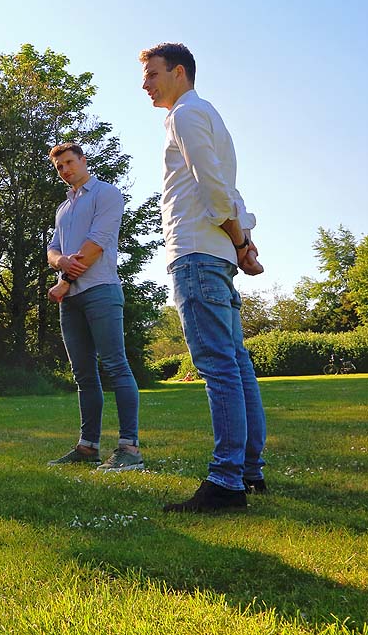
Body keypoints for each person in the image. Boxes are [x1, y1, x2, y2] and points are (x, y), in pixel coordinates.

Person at [140, 42, 267, 513]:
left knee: (219, 368)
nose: (145, 84)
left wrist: (238, 241)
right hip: (216, 253)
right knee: (235, 364)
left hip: (197, 254)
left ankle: (226, 482)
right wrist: (244, 240)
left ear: (178, 72)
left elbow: (214, 188)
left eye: (152, 74)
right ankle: (249, 471)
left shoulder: (185, 115)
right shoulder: (207, 115)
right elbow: (227, 190)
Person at [44, 143, 144, 472]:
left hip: (101, 290)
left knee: (116, 366)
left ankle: (130, 447)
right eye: (59, 167)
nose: (65, 170)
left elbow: (97, 244)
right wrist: (60, 263)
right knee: (83, 375)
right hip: (71, 303)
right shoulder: (63, 208)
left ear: (83, 161)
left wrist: (64, 280)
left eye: (69, 162)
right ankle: (88, 447)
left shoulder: (107, 194)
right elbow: (53, 251)